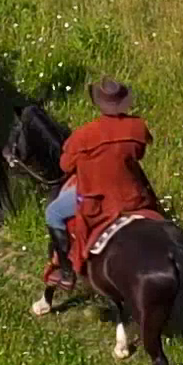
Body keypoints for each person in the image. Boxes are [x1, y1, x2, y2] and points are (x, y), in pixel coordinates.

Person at [44, 79, 154, 290]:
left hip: (96, 198)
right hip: (131, 194)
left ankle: (66, 272)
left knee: (53, 213)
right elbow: (138, 154)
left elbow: (65, 165)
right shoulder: (137, 126)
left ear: (98, 103)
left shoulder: (84, 134)